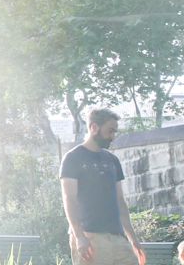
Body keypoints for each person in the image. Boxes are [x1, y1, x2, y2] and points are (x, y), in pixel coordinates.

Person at [60, 108, 146, 265]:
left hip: (118, 238)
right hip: (90, 237)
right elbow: (69, 199)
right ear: (94, 127)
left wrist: (133, 239)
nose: (113, 136)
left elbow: (120, 201)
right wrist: (79, 236)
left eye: (115, 132)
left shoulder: (112, 160)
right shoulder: (72, 158)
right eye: (110, 131)